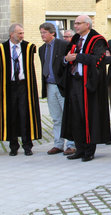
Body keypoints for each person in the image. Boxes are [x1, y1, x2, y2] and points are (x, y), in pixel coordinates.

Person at [62, 15, 111, 162]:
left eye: (78, 23)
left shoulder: (98, 40)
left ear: (87, 25)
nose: (75, 26)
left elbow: (98, 60)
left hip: (89, 85)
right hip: (74, 82)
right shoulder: (76, 39)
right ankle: (79, 148)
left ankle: (89, 150)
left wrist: (77, 57)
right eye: (75, 23)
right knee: (76, 117)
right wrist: (66, 59)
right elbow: (67, 57)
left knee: (88, 118)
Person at [0, 23, 42, 156]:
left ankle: (27, 145)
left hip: (24, 86)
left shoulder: (28, 47)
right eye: (19, 33)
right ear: (12, 34)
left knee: (25, 114)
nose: (22, 35)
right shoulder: (1, 49)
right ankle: (13, 146)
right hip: (9, 86)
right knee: (11, 115)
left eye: (22, 33)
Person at [39, 22, 75, 155]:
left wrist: (65, 60)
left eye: (44, 32)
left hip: (62, 85)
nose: (42, 35)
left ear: (52, 33)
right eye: (41, 32)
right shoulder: (42, 49)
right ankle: (58, 144)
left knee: (67, 115)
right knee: (56, 117)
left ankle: (71, 144)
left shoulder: (63, 45)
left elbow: (69, 62)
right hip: (49, 85)